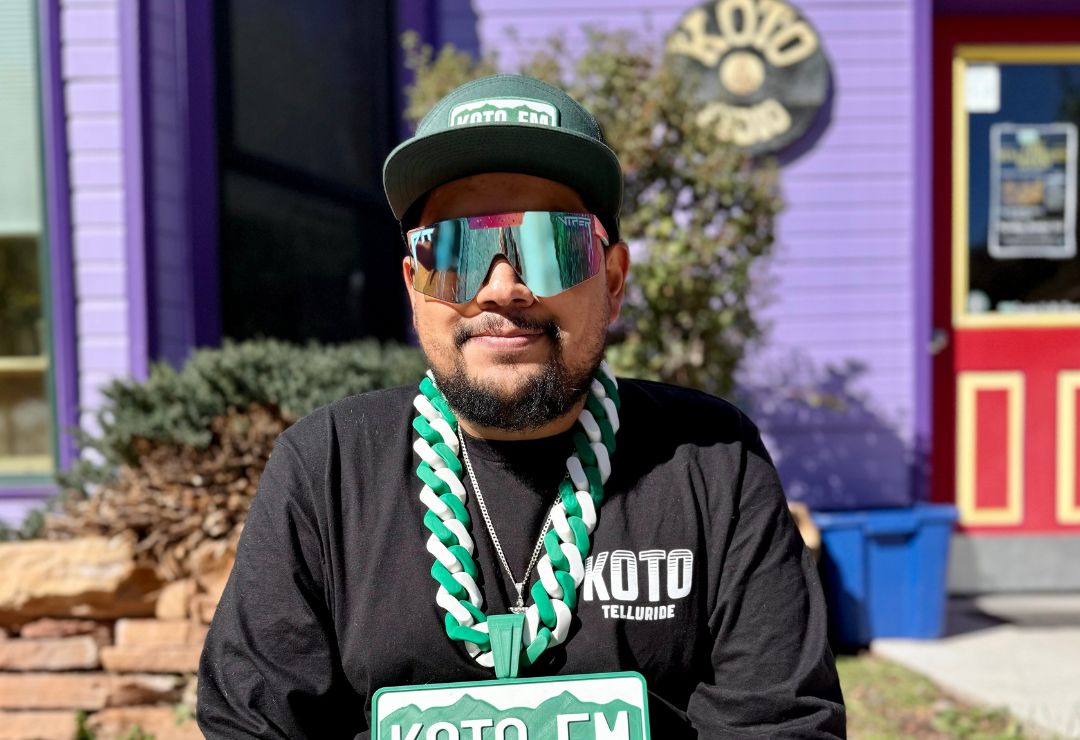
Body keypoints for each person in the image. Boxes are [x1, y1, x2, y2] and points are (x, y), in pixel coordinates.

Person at [197, 74, 845, 738]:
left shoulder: (712, 460)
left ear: (614, 282)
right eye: (455, 251)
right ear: (413, 288)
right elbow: (253, 725)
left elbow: (781, 724)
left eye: (550, 245)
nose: (502, 288)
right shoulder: (327, 464)